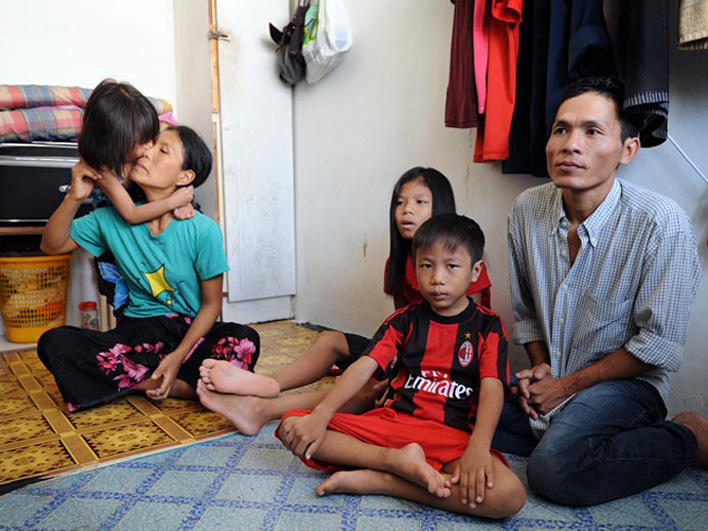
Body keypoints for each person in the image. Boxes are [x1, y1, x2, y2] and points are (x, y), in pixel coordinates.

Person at [495, 76, 708, 506]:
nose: (570, 145)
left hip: (629, 384)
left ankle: (687, 435)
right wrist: (542, 370)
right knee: (458, 405)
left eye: (592, 131)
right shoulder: (526, 210)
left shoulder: (660, 224)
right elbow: (528, 315)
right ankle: (580, 431)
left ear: (628, 150)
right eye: (561, 129)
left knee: (555, 471)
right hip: (558, 374)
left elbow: (657, 348)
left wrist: (565, 386)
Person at [196, 168, 492, 432]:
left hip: (448, 368)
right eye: (400, 203)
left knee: (365, 390)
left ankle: (260, 410)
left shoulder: (462, 263)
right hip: (408, 351)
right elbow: (405, 322)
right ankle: (266, 385)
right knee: (331, 340)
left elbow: (472, 328)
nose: (406, 211)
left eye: (419, 202)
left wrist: (401, 375)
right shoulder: (400, 261)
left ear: (440, 206)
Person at [275, 214, 526, 518]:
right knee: (292, 426)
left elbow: (492, 388)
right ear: (415, 268)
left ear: (475, 271)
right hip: (392, 426)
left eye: (451, 266)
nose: (437, 278)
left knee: (509, 496)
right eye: (426, 265)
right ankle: (393, 461)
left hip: (451, 436)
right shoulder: (403, 320)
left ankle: (385, 481)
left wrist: (478, 447)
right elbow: (363, 367)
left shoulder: (489, 326)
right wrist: (322, 413)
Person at [37, 125, 260, 411]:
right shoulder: (108, 219)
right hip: (137, 333)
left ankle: (145, 380)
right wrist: (74, 197)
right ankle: (177, 385)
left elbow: (211, 305)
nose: (146, 154)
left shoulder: (203, 230)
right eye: (150, 146)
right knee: (55, 342)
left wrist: (178, 355)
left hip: (189, 335)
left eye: (162, 150)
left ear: (185, 177)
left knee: (244, 339)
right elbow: (52, 245)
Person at [77, 79, 195, 316]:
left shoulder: (136, 149)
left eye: (152, 138)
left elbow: (169, 181)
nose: (149, 147)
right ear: (115, 144)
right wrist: (173, 202)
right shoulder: (103, 169)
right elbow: (131, 214)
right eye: (142, 142)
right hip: (120, 231)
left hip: (147, 218)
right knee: (123, 290)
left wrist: (183, 201)